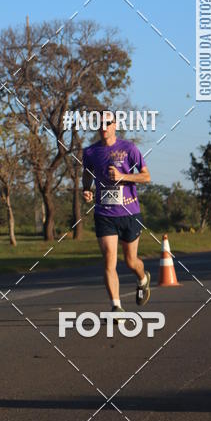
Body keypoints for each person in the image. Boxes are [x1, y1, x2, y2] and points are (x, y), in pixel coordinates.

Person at [82, 110, 151, 315]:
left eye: (108, 123)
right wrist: (87, 190)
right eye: (100, 123)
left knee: (131, 261)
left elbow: (146, 177)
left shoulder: (129, 148)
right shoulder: (90, 152)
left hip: (129, 212)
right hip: (104, 214)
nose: (104, 127)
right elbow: (87, 176)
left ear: (115, 125)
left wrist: (123, 176)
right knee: (109, 258)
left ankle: (142, 278)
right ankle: (116, 306)